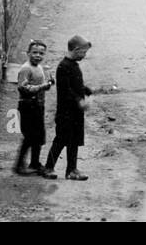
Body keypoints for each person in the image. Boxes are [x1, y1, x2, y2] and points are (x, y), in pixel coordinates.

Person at [43, 35, 94, 181]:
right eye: (83, 52)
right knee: (61, 140)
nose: (84, 55)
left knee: (74, 141)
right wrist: (79, 100)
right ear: (76, 50)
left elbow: (75, 85)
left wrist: (86, 90)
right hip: (65, 112)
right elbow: (66, 90)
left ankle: (71, 170)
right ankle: (48, 167)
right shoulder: (63, 66)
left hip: (75, 113)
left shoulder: (73, 65)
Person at [14, 39, 54, 176]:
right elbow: (23, 88)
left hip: (38, 105)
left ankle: (35, 163)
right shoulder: (26, 68)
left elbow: (40, 85)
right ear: (28, 53)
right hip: (27, 106)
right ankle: (19, 165)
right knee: (30, 136)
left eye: (41, 53)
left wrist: (48, 83)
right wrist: (43, 86)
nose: (38, 55)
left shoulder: (39, 67)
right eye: (35, 52)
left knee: (38, 136)